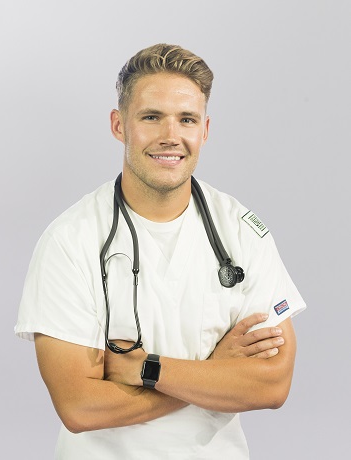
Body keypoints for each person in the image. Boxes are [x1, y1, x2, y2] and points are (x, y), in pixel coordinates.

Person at [15, 43, 306, 459]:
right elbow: (78, 407)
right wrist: (214, 372)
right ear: (119, 125)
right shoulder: (70, 240)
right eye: (151, 117)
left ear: (204, 130)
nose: (171, 136)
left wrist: (145, 368)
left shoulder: (242, 232)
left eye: (186, 119)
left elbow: (272, 386)